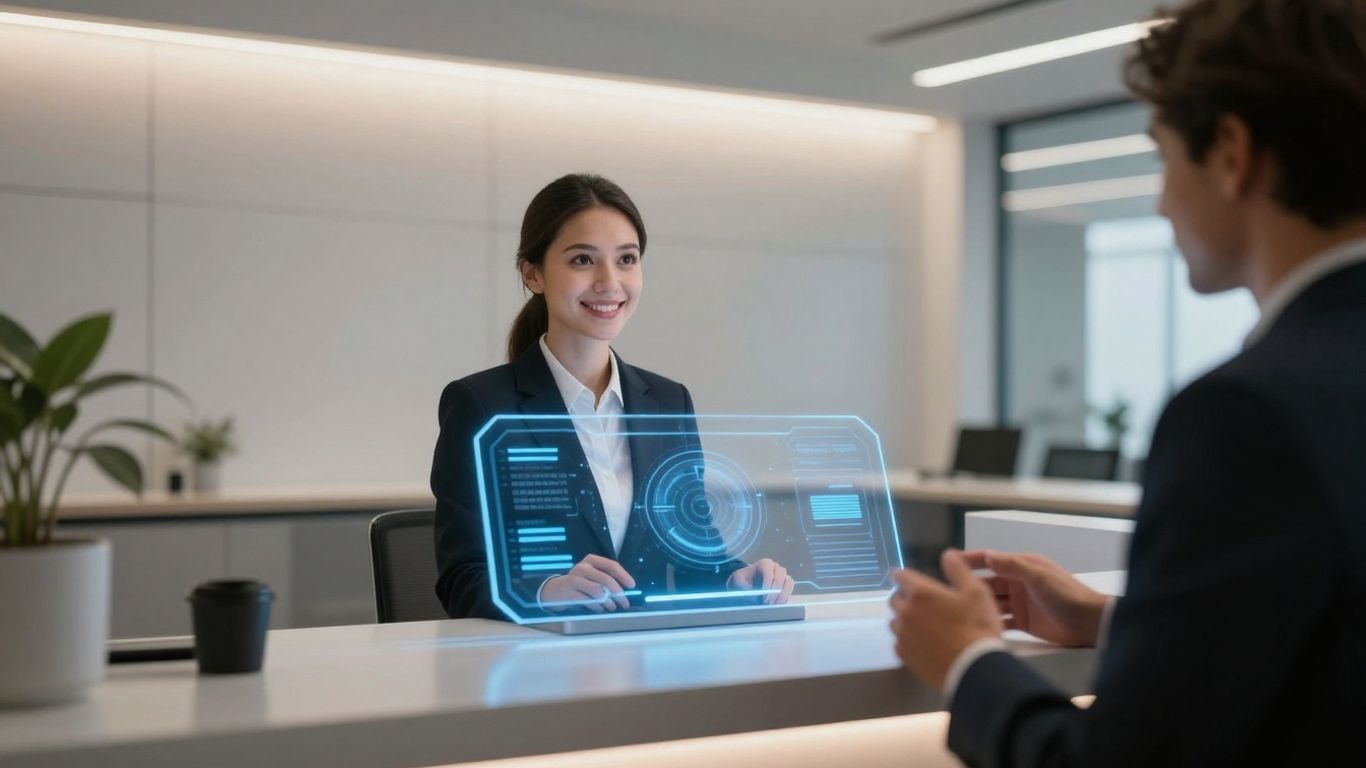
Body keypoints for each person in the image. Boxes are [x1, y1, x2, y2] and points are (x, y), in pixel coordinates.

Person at [889, 0, 1366, 764]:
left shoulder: (1246, 414)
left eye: (1162, 157)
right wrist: (1119, 620)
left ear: (1232, 153)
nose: (1162, 200)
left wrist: (970, 660)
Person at [432, 173, 795, 620]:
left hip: (646, 663)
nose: (609, 282)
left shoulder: (667, 402)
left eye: (626, 259)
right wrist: (546, 591)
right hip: (534, 668)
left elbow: (694, 555)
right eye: (583, 260)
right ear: (533, 273)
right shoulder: (483, 405)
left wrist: (734, 577)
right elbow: (461, 578)